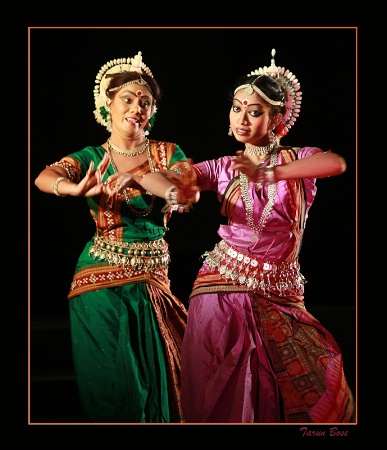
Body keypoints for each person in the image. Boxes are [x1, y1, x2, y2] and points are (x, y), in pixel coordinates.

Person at [173, 49, 356, 423]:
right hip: (221, 290)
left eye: (254, 111)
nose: (242, 117)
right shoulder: (223, 166)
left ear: (276, 119)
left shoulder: (297, 160)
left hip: (281, 292)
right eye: (237, 107)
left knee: (306, 383)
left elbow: (335, 163)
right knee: (226, 392)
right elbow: (185, 175)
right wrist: (179, 188)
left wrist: (269, 175)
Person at [34, 51, 197, 423]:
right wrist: (72, 189)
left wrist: (139, 177)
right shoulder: (92, 155)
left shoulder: (166, 153)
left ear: (152, 111)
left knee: (162, 381)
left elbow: (184, 191)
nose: (136, 107)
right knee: (113, 387)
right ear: (107, 104)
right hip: (98, 281)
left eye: (145, 102)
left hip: (153, 281)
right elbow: (43, 177)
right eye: (127, 98)